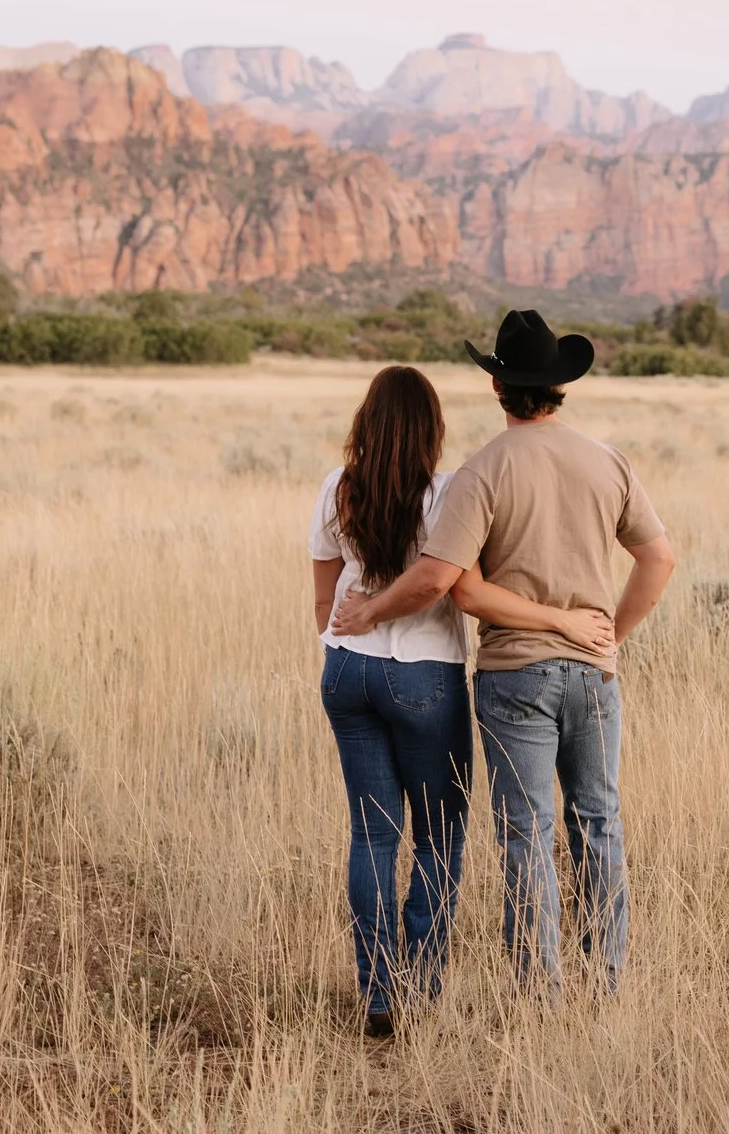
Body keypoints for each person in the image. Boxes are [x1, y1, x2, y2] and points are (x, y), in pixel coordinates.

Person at [333, 311, 677, 995]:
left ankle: (538, 990)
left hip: (515, 676)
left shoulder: (482, 471)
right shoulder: (607, 461)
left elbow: (458, 589)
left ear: (497, 387)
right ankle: (605, 979)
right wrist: (607, 635)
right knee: (599, 821)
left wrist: (368, 610)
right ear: (559, 386)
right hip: (593, 674)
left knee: (527, 832)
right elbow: (659, 558)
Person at [311, 364, 616, 1036]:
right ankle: (420, 987)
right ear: (432, 429)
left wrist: (355, 628)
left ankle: (378, 991)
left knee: (371, 833)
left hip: (347, 672)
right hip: (426, 676)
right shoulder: (447, 493)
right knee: (439, 834)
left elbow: (322, 600)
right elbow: (452, 585)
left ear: (365, 422)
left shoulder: (336, 488)